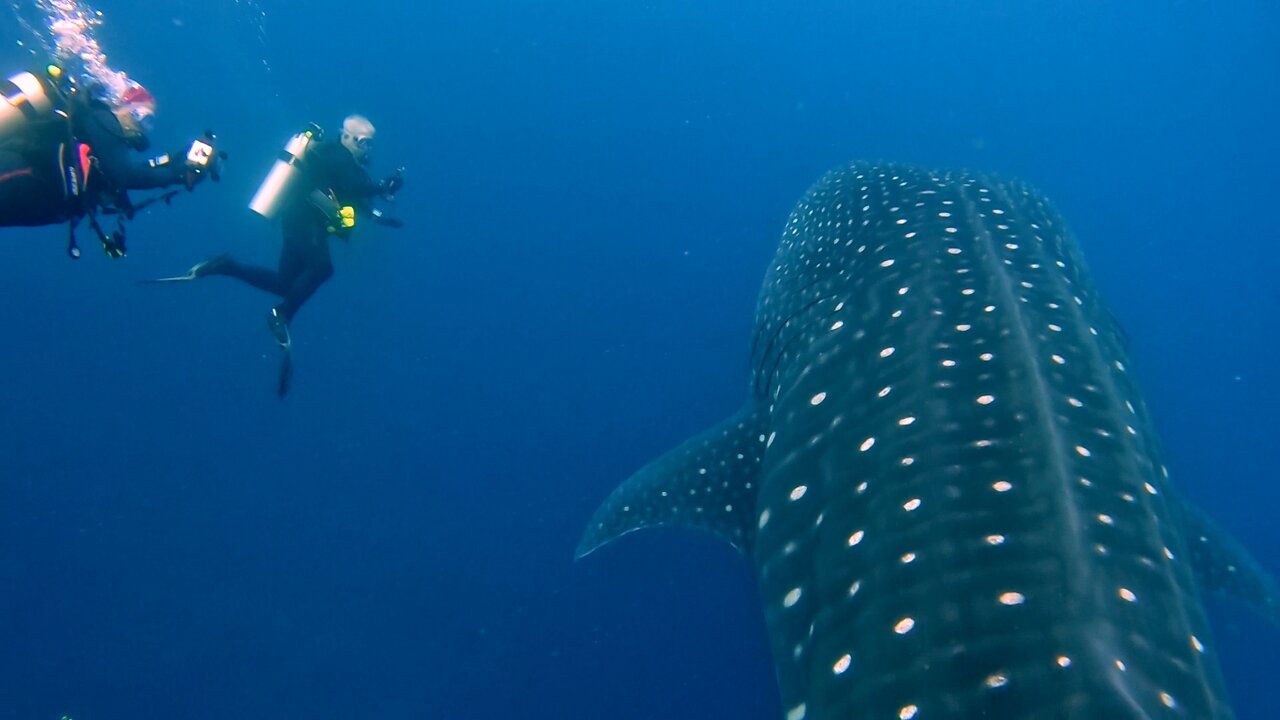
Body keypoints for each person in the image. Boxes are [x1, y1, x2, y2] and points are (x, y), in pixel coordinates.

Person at [151, 114, 404, 395]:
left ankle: (223, 266)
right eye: (364, 142)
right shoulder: (333, 152)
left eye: (371, 145)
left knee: (285, 283)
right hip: (303, 222)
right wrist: (382, 186)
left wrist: (379, 211)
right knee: (322, 268)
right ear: (346, 137)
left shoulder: (350, 164)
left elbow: (355, 194)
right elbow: (352, 185)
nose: (368, 149)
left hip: (301, 224)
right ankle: (281, 315)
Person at [0, 66, 221, 257]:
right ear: (125, 108)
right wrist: (178, 173)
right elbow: (125, 175)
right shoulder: (103, 118)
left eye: (149, 123)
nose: (142, 129)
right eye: (144, 118)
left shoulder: (102, 139)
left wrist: (177, 162)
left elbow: (128, 172)